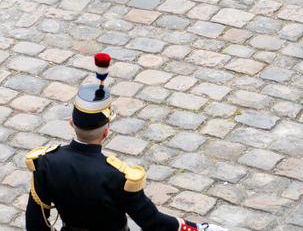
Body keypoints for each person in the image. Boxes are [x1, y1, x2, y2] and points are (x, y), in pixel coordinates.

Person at [24, 53, 226, 231]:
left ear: (71, 123)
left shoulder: (45, 163)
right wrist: (198, 228)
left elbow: (35, 223)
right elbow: (153, 223)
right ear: (106, 132)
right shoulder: (117, 176)